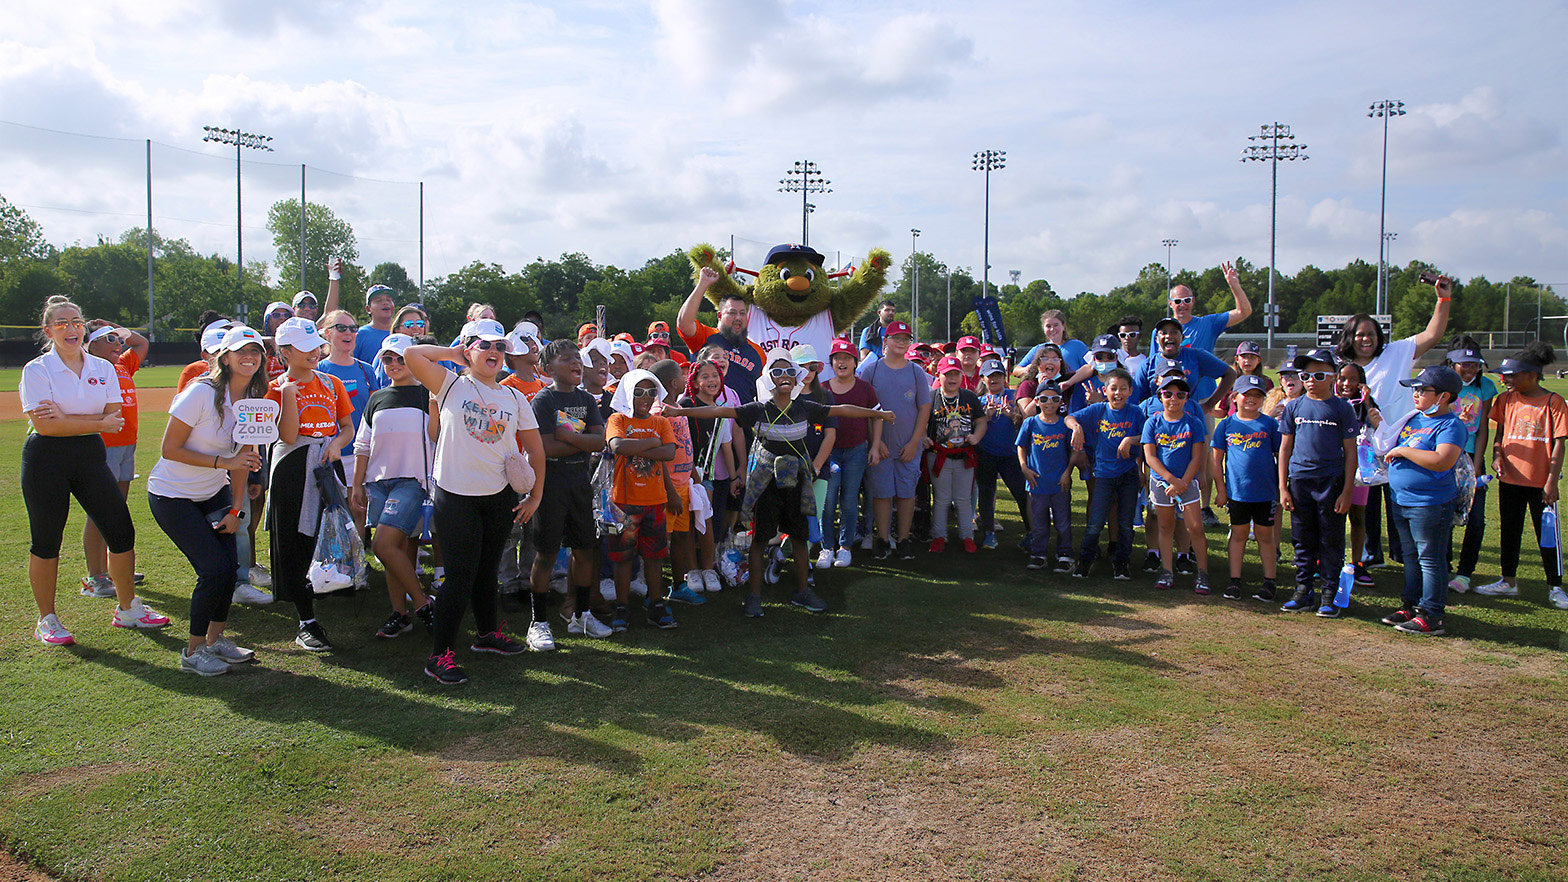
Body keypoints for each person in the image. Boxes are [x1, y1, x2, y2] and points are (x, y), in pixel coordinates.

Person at [665, 353, 894, 617]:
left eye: (788, 372)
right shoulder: (758, 409)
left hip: (796, 484)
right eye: (777, 373)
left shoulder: (806, 407)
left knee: (799, 538)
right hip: (766, 486)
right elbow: (720, 410)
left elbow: (843, 410)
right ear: (769, 380)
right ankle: (754, 597)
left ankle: (802, 591)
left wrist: (879, 414)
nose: (783, 376)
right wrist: (680, 411)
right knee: (760, 540)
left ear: (796, 377)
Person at [403, 320, 547, 685]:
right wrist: (455, 354)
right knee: (460, 577)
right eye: (484, 346)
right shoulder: (450, 384)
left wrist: (536, 494)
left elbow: (535, 448)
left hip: (499, 496)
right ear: (468, 350)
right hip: (456, 497)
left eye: (499, 346)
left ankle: (486, 635)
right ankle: (439, 656)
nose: (494, 352)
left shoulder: (514, 397)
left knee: (487, 571)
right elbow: (411, 353)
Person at [21, 296, 168, 646]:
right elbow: (46, 429)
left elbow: (114, 420)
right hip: (46, 459)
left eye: (76, 322)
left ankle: (128, 607)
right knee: (46, 541)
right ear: (48, 330)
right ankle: (48, 618)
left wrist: (70, 418)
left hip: (90, 454)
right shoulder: (36, 370)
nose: (71, 328)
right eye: (62, 323)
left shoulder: (103, 368)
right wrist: (94, 420)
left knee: (120, 531)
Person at [147, 325, 267, 675]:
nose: (249, 356)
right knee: (213, 569)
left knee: (230, 570)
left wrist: (236, 509)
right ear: (224, 357)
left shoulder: (254, 398)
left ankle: (215, 641)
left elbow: (244, 460)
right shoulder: (199, 392)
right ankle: (193, 651)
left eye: (256, 351)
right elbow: (169, 449)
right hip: (172, 495)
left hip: (214, 493)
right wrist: (223, 462)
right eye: (241, 350)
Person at [1336, 274, 1454, 566]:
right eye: (1360, 334)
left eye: (1371, 334)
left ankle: (1406, 554)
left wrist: (1443, 299)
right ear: (1349, 336)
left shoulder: (1396, 352)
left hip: (1400, 440)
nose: (1366, 339)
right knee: (1364, 505)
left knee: (1400, 498)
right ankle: (1371, 553)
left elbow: (1432, 334)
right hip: (1359, 444)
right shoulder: (1339, 365)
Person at [265, 317, 356, 652]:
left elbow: (346, 426)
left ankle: (330, 586)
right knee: (294, 539)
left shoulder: (331, 383)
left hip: (327, 466)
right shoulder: (274, 389)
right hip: (292, 469)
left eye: (316, 345)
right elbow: (287, 436)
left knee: (331, 532)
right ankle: (305, 618)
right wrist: (288, 393)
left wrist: (336, 444)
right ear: (284, 351)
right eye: (304, 348)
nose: (314, 352)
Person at [351, 333, 438, 641]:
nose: (394, 364)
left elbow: (437, 436)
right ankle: (400, 614)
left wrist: (434, 401)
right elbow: (363, 444)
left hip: (413, 483)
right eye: (387, 358)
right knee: (397, 552)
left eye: (401, 358)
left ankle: (423, 604)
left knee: (383, 545)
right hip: (378, 484)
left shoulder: (429, 394)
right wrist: (357, 484)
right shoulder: (376, 397)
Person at [529, 340, 613, 639]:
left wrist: (566, 435)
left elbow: (599, 442)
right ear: (548, 368)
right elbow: (544, 447)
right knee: (547, 553)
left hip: (580, 482)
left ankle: (580, 614)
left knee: (585, 549)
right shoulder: (542, 401)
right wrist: (578, 440)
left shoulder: (588, 400)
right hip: (551, 483)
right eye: (567, 359)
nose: (576, 363)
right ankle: (538, 622)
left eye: (578, 358)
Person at [1476, 342, 1568, 608]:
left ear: (1531, 375)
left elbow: (1559, 445)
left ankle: (1555, 586)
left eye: (1512, 375)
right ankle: (1507, 581)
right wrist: (1496, 456)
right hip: (1510, 480)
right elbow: (1500, 435)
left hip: (1541, 483)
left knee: (1547, 536)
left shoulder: (1554, 402)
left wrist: (1551, 482)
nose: (1506, 380)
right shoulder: (1505, 400)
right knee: (1510, 531)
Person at [1379, 365, 1469, 635]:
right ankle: (1411, 606)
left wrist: (1403, 451)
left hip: (1429, 503)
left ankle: (1432, 614)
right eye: (1415, 390)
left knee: (1430, 559)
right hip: (1402, 499)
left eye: (1422, 390)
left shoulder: (1450, 425)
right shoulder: (1414, 418)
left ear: (1443, 396)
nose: (1415, 395)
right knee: (1410, 557)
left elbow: (1443, 461)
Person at [1278, 348, 1359, 614]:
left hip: (1330, 481)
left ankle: (1328, 593)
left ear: (1333, 377)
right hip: (1300, 481)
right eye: (1306, 375)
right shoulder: (1294, 406)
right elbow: (1285, 449)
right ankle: (1303, 591)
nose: (1311, 380)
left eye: (1319, 375)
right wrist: (1283, 487)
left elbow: (1350, 453)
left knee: (1330, 539)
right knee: (1302, 539)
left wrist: (1347, 491)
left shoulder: (1342, 408)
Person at [605, 369, 681, 631]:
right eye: (639, 392)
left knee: (655, 556)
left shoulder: (662, 422)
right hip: (624, 503)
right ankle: (622, 606)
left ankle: (656, 605)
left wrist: (638, 444)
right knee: (623, 557)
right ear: (628, 393)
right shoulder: (617, 419)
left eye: (651, 392)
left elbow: (670, 452)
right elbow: (618, 447)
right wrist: (651, 442)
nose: (646, 397)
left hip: (655, 502)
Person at [78, 321, 149, 598]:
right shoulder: (85, 367)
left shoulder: (122, 365)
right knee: (98, 511)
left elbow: (141, 343)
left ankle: (116, 568)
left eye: (118, 340)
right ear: (91, 344)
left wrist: (113, 326)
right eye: (109, 339)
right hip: (101, 446)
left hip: (126, 445)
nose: (117, 344)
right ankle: (95, 577)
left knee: (116, 510)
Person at [857, 321, 932, 560]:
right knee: (881, 494)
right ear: (884, 341)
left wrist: (914, 442)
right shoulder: (872, 371)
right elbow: (866, 411)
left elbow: (924, 408)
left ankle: (903, 539)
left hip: (908, 445)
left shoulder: (916, 371)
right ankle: (883, 539)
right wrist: (876, 443)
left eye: (905, 338)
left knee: (907, 493)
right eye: (896, 338)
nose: (901, 342)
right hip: (881, 447)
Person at [1065, 368, 1144, 580]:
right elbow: (1069, 418)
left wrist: (1130, 440)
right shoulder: (1098, 410)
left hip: (1128, 475)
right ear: (1105, 390)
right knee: (1095, 523)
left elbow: (1148, 435)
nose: (1118, 393)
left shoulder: (1135, 412)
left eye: (1123, 389)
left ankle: (1121, 563)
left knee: (1126, 523)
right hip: (1103, 476)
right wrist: (1076, 428)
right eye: (1113, 388)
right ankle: (1085, 561)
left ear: (1130, 391)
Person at [1211, 374, 1281, 600]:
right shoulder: (1227, 425)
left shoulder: (1270, 424)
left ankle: (1269, 581)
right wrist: (1221, 490)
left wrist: (1282, 488)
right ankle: (1235, 580)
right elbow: (1216, 460)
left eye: (1257, 395)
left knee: (1265, 535)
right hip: (1238, 492)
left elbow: (1281, 456)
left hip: (1266, 491)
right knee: (1239, 533)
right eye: (1246, 395)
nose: (1251, 399)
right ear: (1234, 397)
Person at [1142, 374, 1212, 593]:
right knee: (1165, 526)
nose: (1174, 398)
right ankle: (1167, 571)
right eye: (1168, 394)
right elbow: (1150, 457)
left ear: (1187, 398)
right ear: (1160, 396)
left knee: (1195, 527)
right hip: (1162, 483)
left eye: (1180, 394)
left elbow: (1197, 457)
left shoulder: (1193, 422)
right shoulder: (1152, 422)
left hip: (1187, 483)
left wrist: (1183, 482)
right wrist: (1171, 480)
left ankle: (1202, 573)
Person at [650, 358, 706, 606]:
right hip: (666, 489)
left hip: (683, 486)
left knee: (684, 537)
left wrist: (693, 475)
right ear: (674, 383)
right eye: (682, 378)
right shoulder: (658, 413)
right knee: (663, 539)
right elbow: (659, 456)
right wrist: (670, 491)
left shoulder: (679, 410)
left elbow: (685, 448)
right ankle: (654, 591)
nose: (686, 380)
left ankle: (679, 585)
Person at [821, 339, 880, 567]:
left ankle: (845, 547)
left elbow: (877, 416)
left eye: (846, 358)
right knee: (828, 500)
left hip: (857, 450)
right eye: (837, 358)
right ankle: (827, 546)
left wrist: (875, 446)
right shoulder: (823, 388)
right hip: (830, 452)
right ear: (831, 363)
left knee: (849, 499)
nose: (841, 362)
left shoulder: (864, 388)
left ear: (855, 362)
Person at [1445, 339, 1498, 594]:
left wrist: (1477, 465)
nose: (1470, 370)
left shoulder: (1485, 386)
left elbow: (1484, 427)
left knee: (1475, 519)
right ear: (1452, 363)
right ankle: (1441, 567)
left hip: (1471, 456)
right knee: (1443, 515)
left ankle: (1464, 574)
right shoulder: (1443, 382)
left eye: (1475, 365)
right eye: (1464, 364)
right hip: (1444, 456)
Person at [678, 353, 732, 591]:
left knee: (706, 522)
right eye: (705, 376)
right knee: (688, 525)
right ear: (694, 381)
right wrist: (692, 475)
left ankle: (708, 569)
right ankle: (692, 571)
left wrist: (734, 476)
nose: (712, 380)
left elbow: (726, 446)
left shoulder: (722, 409)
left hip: (707, 476)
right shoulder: (685, 405)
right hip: (685, 473)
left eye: (715, 376)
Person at [316, 309, 384, 492]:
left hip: (362, 454)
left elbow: (376, 414)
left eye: (353, 328)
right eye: (341, 328)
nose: (348, 333)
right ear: (327, 333)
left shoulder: (366, 370)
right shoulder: (318, 371)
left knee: (359, 511)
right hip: (329, 454)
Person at [925, 356, 986, 554]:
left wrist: (976, 436)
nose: (952, 378)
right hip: (938, 455)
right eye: (947, 374)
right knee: (941, 498)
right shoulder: (931, 397)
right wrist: (922, 439)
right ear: (938, 375)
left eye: (956, 374)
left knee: (963, 498)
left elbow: (981, 421)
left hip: (964, 456)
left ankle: (967, 535)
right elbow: (921, 424)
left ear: (961, 376)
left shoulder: (969, 397)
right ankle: (939, 536)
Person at [678, 266, 766, 402]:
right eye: (732, 313)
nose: (738, 317)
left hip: (742, 419)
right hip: (704, 415)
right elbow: (684, 323)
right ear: (719, 316)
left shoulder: (758, 352)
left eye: (743, 313)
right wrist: (703, 284)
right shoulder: (706, 336)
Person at [975, 357, 1030, 550]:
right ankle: (989, 532)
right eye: (990, 376)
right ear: (983, 378)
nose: (994, 379)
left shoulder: (1015, 396)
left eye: (998, 375)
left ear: (1004, 377)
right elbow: (972, 428)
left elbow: (1027, 423)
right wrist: (986, 417)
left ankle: (1031, 532)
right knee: (986, 494)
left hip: (1010, 455)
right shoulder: (978, 401)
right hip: (986, 453)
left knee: (1022, 494)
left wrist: (1012, 415)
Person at [1017, 383, 1073, 571]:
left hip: (1059, 483)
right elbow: (1021, 446)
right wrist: (1024, 467)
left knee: (1063, 522)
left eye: (1055, 399)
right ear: (1036, 402)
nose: (1049, 403)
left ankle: (1065, 554)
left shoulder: (1064, 424)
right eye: (1044, 399)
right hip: (1036, 483)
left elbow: (1073, 451)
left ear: (1060, 403)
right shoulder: (1030, 423)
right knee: (1039, 523)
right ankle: (1039, 554)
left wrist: (1067, 473)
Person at [1337, 361, 1382, 586]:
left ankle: (1358, 563)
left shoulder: (1366, 405)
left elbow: (1380, 426)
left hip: (1360, 472)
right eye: (1342, 378)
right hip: (1333, 469)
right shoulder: (1330, 403)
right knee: (1330, 517)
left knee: (1357, 517)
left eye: (1353, 379)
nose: (1347, 384)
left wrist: (1367, 400)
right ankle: (1325, 561)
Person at [1014, 309, 1088, 378]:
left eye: (1056, 325)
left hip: (1074, 391)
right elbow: (1016, 371)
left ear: (1063, 326)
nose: (1052, 329)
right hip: (1046, 391)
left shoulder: (1077, 346)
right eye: (1048, 326)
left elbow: (1091, 367)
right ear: (1043, 329)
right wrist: (1028, 369)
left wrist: (1069, 382)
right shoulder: (1039, 349)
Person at [352, 284, 400, 364]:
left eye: (389, 300)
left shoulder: (401, 332)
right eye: (379, 300)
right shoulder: (359, 334)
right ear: (368, 309)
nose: (385, 303)